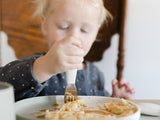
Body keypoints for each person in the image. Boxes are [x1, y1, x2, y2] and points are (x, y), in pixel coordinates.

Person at [0, 0, 135, 101]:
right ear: (45, 25)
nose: (73, 37)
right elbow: (4, 86)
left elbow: (98, 110)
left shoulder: (96, 75)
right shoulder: (35, 66)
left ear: (96, 33)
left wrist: (115, 99)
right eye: (63, 26)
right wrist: (44, 67)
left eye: (85, 30)